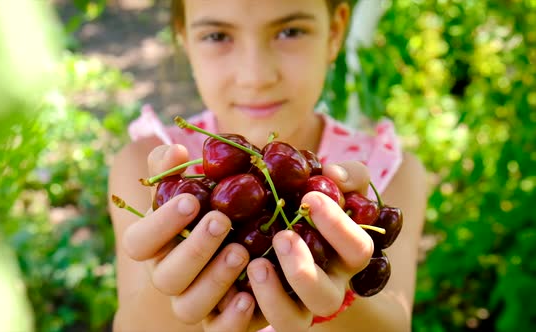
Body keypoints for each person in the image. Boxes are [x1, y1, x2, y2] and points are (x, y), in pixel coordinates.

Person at [108, 0, 428, 331]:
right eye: (217, 36)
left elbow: (394, 323)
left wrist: (339, 293)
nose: (256, 76)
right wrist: (172, 281)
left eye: (290, 31)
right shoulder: (148, 170)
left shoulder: (391, 174)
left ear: (334, 33)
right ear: (185, 40)